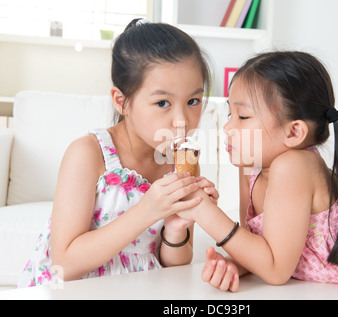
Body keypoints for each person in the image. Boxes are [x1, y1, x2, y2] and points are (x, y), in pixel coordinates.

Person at [179, 51, 338, 299]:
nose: (228, 127)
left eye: (243, 116)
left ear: (293, 132)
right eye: (230, 114)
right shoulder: (250, 166)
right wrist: (235, 263)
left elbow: (275, 269)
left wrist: (204, 210)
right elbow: (262, 245)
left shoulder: (294, 166)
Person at [16, 19, 217, 287]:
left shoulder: (180, 164)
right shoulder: (88, 154)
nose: (181, 119)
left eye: (193, 101)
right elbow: (64, 265)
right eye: (162, 103)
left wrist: (177, 227)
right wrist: (148, 210)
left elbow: (176, 264)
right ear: (121, 101)